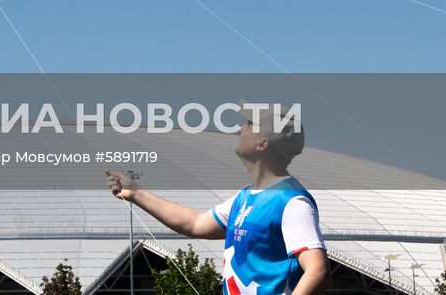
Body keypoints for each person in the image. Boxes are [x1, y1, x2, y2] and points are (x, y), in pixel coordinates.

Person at [105, 106, 328, 295]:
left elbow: (317, 269)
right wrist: (135, 193)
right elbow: (195, 223)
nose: (241, 128)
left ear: (263, 144)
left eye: (250, 124)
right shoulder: (245, 197)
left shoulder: (291, 202)